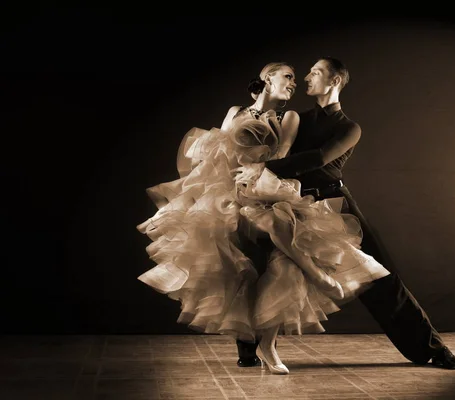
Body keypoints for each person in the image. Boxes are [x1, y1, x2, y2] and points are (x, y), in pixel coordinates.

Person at [136, 61, 391, 375]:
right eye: (288, 76)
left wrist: (258, 171)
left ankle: (296, 302)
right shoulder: (235, 111)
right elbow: (215, 155)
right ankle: (248, 343)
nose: (294, 82)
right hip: (229, 190)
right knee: (237, 267)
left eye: (298, 79)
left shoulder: (290, 117)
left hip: (265, 187)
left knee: (280, 237)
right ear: (267, 78)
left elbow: (282, 155)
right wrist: (184, 199)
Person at [236, 57, 455, 370]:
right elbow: (270, 144)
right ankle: (249, 347)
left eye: (316, 72)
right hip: (292, 205)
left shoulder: (348, 128)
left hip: (335, 205)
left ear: (335, 81)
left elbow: (318, 158)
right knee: (265, 269)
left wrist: (265, 167)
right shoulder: (295, 119)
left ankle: (431, 348)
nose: (306, 77)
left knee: (382, 278)